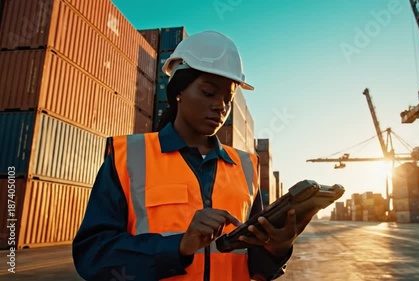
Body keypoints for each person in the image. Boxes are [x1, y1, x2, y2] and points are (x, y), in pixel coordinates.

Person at [72, 31, 310, 281]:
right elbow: (93, 256)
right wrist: (179, 247)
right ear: (178, 91)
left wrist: (277, 249)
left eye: (228, 99)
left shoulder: (246, 166)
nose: (221, 107)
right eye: (209, 93)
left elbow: (255, 267)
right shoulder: (128, 157)